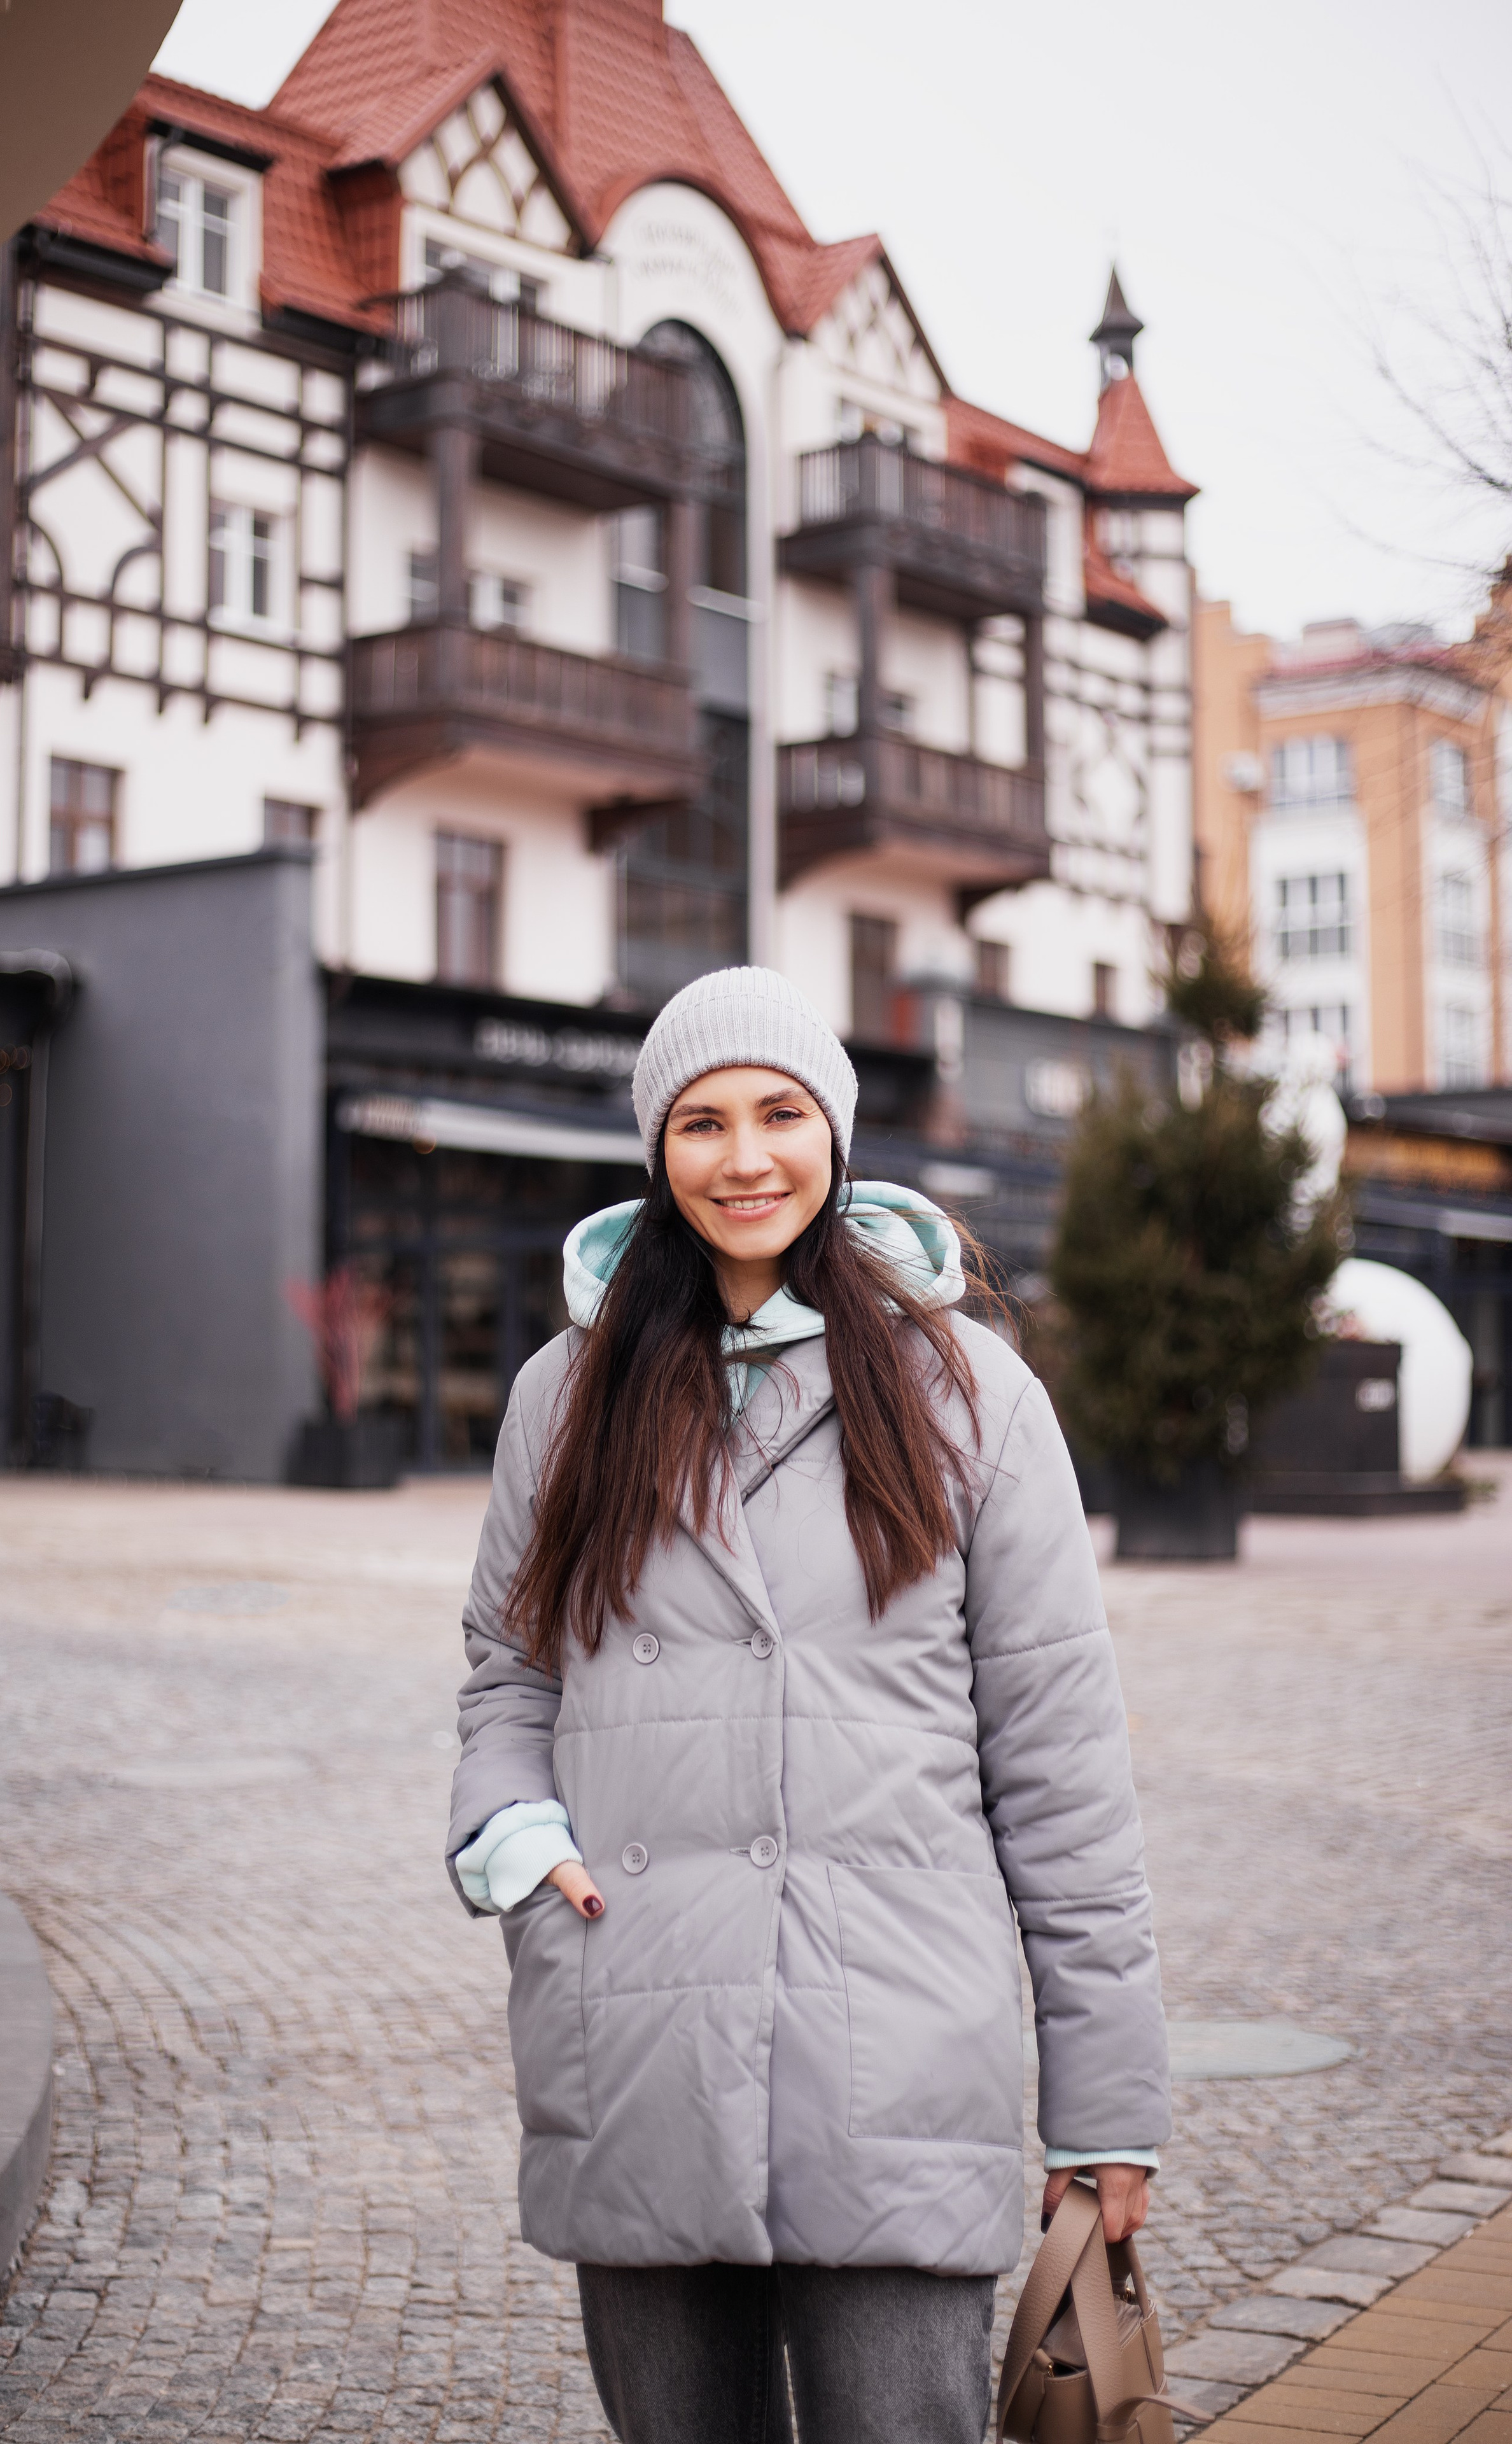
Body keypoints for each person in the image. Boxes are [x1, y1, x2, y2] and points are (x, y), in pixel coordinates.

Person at [447, 966, 1170, 2444]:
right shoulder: (564, 1393)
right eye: (700, 1123)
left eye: (779, 1113)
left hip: (896, 2032)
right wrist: (518, 1838)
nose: (743, 1158)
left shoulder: (968, 1393)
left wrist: (1101, 2105)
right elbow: (508, 1670)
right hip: (638, 2009)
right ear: (657, 1153)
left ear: (835, 1139)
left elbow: (1059, 1762)